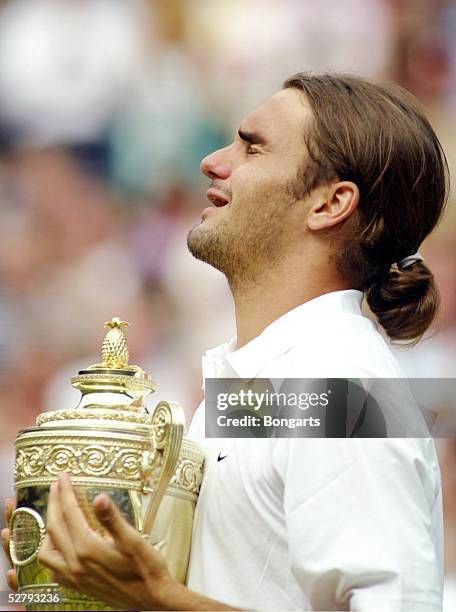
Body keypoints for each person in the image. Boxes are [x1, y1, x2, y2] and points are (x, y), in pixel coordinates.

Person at [2, 72, 449, 610]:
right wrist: (92, 589)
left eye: (252, 148)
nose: (213, 160)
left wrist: (156, 598)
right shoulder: (266, 383)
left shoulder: (344, 389)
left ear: (330, 204)